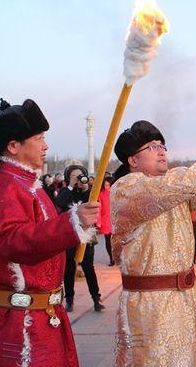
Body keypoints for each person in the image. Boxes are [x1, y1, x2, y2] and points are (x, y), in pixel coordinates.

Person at [110, 120, 196, 366]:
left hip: (185, 298)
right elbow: (169, 187)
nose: (162, 150)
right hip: (150, 305)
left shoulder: (173, 192)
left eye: (162, 145)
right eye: (152, 147)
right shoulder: (127, 188)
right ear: (133, 160)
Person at [0, 98, 99, 366]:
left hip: (45, 314)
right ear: (13, 146)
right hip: (23, 322)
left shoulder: (29, 184)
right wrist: (70, 223)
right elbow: (12, 241)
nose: (45, 146)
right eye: (39, 138)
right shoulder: (7, 186)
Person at [55, 165, 105, 312]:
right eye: (74, 177)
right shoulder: (65, 192)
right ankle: (69, 299)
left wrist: (84, 188)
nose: (78, 179)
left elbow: (92, 203)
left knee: (88, 267)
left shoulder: (87, 192)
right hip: (69, 234)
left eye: (80, 176)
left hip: (86, 235)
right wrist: (71, 186)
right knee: (69, 268)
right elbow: (60, 203)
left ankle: (96, 298)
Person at [97, 176, 114, 266]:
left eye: (109, 185)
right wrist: (98, 222)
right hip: (106, 219)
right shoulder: (101, 194)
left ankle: (117, 257)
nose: (107, 187)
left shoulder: (116, 192)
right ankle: (111, 258)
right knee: (108, 240)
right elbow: (99, 208)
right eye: (105, 185)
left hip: (115, 219)